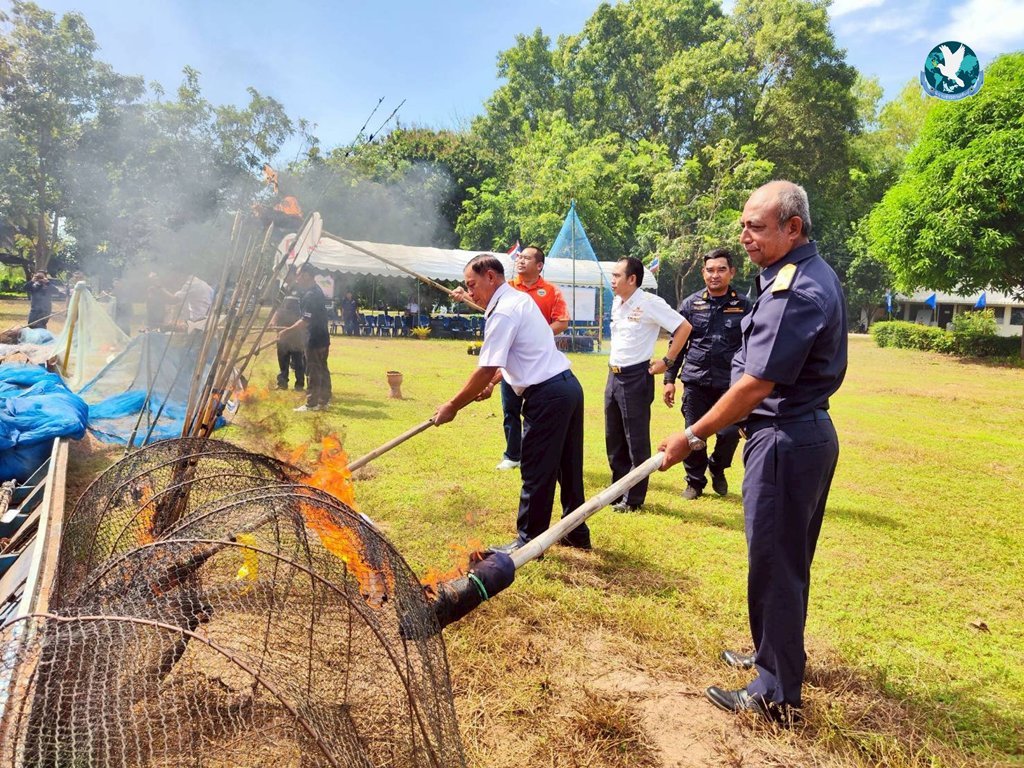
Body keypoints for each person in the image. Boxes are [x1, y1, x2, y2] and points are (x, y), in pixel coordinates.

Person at [657, 180, 847, 721]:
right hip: (793, 434)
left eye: (756, 227)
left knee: (776, 566)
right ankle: (774, 657)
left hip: (786, 438)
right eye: (743, 225)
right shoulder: (796, 274)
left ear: (793, 227)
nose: (744, 236)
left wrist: (692, 435)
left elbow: (756, 383)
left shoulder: (795, 290)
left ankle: (774, 694)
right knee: (782, 561)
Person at [433, 254, 590, 552]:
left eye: (472, 285)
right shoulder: (518, 300)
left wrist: (452, 405)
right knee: (568, 469)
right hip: (567, 387)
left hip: (548, 395)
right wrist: (493, 384)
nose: (470, 293)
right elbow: (519, 354)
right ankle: (576, 532)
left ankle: (528, 543)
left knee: (536, 471)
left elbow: (486, 368)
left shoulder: (504, 311)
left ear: (491, 277)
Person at [663, 248, 752, 499]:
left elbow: (753, 344)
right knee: (694, 433)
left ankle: (718, 466)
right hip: (696, 380)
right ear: (703, 273)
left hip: (731, 383)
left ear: (732, 272)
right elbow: (677, 344)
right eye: (710, 270)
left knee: (729, 432)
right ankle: (694, 482)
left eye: (721, 269)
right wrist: (669, 380)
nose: (715, 275)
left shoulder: (744, 305)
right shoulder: (690, 304)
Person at [605, 257, 691, 512]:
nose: (612, 280)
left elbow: (683, 327)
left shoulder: (649, 303)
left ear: (632, 279)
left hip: (635, 377)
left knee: (636, 440)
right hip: (613, 375)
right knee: (614, 438)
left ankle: (633, 499)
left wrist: (667, 360)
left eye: (617, 276)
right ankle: (617, 491)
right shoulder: (617, 302)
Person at [494, 245, 570, 471]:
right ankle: (512, 455)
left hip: (538, 362)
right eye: (519, 257)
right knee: (510, 409)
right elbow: (485, 303)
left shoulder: (551, 291)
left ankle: (534, 454)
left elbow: (562, 321)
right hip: (511, 359)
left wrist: (539, 334)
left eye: (526, 258)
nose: (520, 260)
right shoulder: (507, 288)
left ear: (539, 265)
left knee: (536, 411)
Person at [279, 263, 331, 412]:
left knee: (313, 370)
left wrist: (286, 331)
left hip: (314, 338)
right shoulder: (316, 291)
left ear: (307, 275)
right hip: (323, 337)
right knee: (322, 369)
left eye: (299, 274)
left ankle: (312, 403)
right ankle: (324, 400)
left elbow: (305, 321)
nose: (297, 278)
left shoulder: (311, 295)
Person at [272, 278, 306, 391]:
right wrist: (274, 320)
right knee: (282, 357)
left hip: (296, 331)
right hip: (281, 330)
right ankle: (282, 383)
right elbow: (277, 308)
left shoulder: (301, 289)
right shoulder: (282, 289)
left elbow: (305, 311)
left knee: (298, 359)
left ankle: (299, 384)